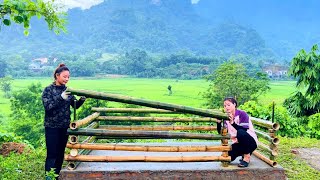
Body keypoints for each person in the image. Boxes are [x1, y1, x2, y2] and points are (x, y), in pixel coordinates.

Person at [42, 64, 86, 179]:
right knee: (52, 154)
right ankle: (49, 178)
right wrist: (61, 97)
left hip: (64, 126)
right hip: (51, 126)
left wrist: (82, 100)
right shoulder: (48, 90)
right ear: (57, 76)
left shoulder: (68, 90)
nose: (66, 79)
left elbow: (75, 105)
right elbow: (48, 107)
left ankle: (56, 176)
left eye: (68, 77)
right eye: (64, 77)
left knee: (60, 153)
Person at [217, 97, 258, 167]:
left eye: (228, 105)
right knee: (225, 158)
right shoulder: (225, 118)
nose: (226, 107)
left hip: (250, 142)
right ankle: (244, 153)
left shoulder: (242, 114)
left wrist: (233, 123)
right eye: (225, 106)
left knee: (240, 132)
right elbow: (222, 134)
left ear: (234, 104)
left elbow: (243, 131)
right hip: (238, 143)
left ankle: (246, 157)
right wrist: (218, 123)